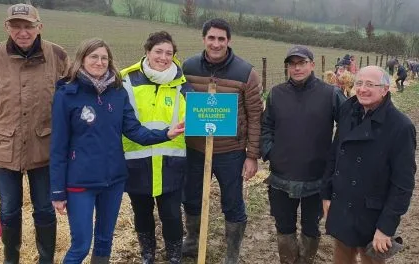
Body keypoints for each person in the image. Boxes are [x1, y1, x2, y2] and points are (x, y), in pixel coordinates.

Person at [50, 38, 185, 264]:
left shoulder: (117, 92)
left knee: (104, 241)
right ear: (82, 59)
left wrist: (165, 134)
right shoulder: (67, 94)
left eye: (104, 57)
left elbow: (134, 131)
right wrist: (57, 191)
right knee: (81, 245)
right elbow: (58, 146)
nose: (99, 62)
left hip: (113, 181)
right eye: (93, 56)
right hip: (80, 182)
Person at [0, 4, 69, 263]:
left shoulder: (58, 56)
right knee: (8, 209)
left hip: (45, 147)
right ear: (7, 27)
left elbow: (68, 105)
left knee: (43, 208)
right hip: (2, 146)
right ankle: (11, 259)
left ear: (39, 27)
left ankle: (45, 259)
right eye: (16, 26)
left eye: (28, 26)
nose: (22, 31)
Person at [182, 18, 263, 263]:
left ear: (229, 41)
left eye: (221, 39)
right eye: (211, 38)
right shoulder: (188, 67)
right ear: (203, 38)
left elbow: (255, 116)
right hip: (195, 148)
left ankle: (232, 253)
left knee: (232, 201)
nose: (216, 44)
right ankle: (193, 238)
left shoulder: (245, 72)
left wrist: (252, 155)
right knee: (191, 196)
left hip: (232, 151)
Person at [321, 66, 416, 264]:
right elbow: (335, 153)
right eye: (359, 83)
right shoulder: (348, 109)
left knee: (370, 259)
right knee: (341, 255)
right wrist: (327, 194)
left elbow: (403, 184)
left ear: (385, 89)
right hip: (343, 204)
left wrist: (386, 227)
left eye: (370, 84)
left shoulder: (400, 126)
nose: (363, 89)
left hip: (372, 213)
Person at [261, 45, 346, 264]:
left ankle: (305, 259)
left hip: (316, 176)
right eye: (292, 64)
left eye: (302, 63)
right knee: (284, 225)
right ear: (288, 67)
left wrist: (334, 158)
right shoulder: (276, 94)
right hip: (281, 175)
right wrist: (271, 151)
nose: (297, 68)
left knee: (311, 225)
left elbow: (348, 125)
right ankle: (288, 260)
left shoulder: (330, 93)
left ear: (312, 65)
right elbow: (266, 126)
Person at [119, 31, 193, 264]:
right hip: (137, 160)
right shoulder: (126, 81)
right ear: (147, 52)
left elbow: (196, 118)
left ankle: (173, 254)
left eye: (169, 53)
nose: (163, 57)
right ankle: (147, 253)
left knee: (171, 213)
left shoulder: (182, 85)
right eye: (158, 51)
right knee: (141, 211)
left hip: (172, 161)